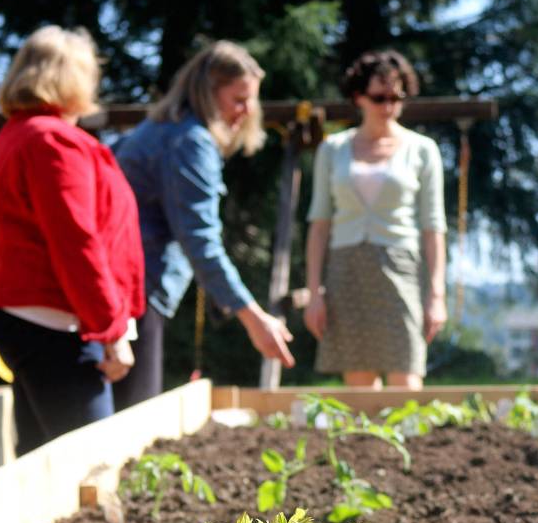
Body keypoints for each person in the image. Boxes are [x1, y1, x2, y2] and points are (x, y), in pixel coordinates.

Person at [0, 25, 146, 455]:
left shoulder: (12, 138)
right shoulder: (53, 142)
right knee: (92, 465)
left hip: (23, 316)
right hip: (54, 322)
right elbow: (76, 242)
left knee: (37, 461)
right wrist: (110, 329)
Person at [112, 40, 295, 408]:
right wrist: (253, 317)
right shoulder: (189, 142)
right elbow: (200, 241)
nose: (246, 111)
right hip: (137, 292)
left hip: (122, 288)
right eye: (238, 99)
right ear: (208, 94)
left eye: (251, 101)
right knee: (130, 422)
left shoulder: (157, 129)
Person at [303, 49, 447, 389]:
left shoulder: (422, 149)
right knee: (359, 385)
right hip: (346, 269)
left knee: (407, 383)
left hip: (401, 268)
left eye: (397, 97)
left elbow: (433, 227)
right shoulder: (333, 149)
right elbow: (320, 224)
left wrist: (436, 294)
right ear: (358, 97)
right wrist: (314, 293)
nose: (389, 107)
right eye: (379, 97)